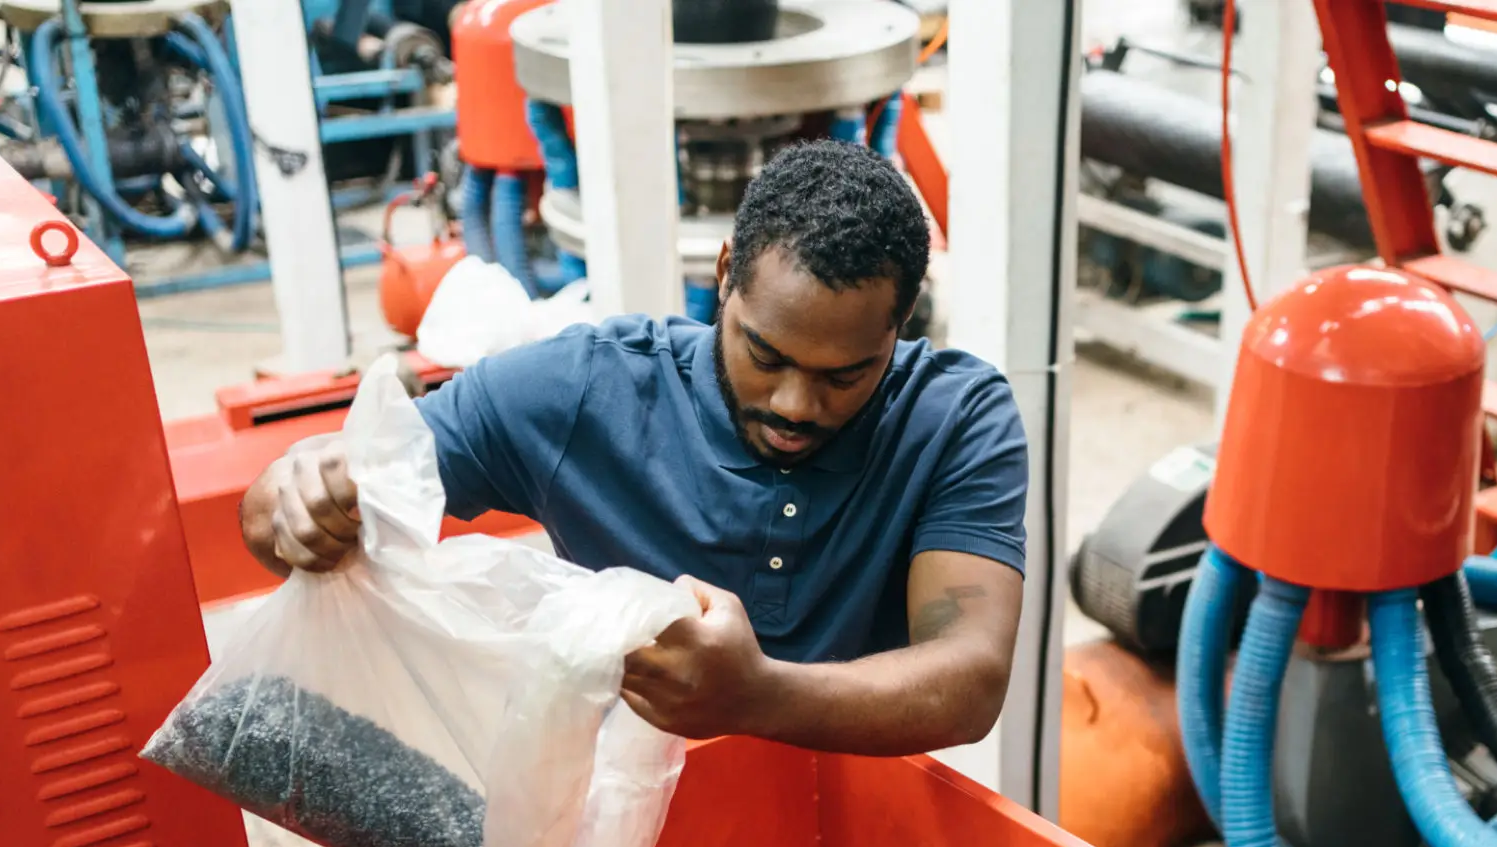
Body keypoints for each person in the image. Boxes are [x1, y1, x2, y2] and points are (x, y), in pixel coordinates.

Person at [239, 140, 1027, 755]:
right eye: (766, 354)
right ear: (725, 277)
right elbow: (280, 513)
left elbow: (970, 680)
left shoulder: (955, 421)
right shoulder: (586, 391)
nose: (795, 404)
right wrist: (296, 496)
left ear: (900, 327)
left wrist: (759, 697)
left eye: (846, 374)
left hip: (855, 837)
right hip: (612, 819)